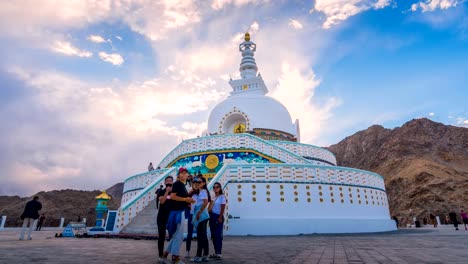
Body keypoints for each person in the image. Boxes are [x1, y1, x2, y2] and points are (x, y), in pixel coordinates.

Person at [161, 168, 195, 264]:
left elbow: (182, 198)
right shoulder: (177, 184)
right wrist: (185, 200)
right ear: (179, 175)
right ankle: (176, 258)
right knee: (179, 236)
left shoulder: (182, 185)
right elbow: (172, 196)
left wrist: (188, 200)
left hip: (181, 211)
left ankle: (165, 255)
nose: (184, 174)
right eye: (182, 173)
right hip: (178, 213)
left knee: (176, 235)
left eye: (186, 173)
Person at [190, 176, 211, 263]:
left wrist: (199, 212)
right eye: (197, 182)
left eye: (200, 182)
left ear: (203, 183)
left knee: (200, 236)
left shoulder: (202, 191)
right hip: (204, 216)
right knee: (204, 236)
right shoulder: (202, 191)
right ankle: (205, 255)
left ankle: (198, 256)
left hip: (201, 216)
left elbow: (206, 202)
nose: (198, 183)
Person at [156, 176, 173, 263]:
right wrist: (167, 191)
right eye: (167, 181)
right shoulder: (161, 191)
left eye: (170, 181)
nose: (169, 182)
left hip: (171, 217)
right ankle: (160, 256)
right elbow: (162, 201)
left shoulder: (175, 192)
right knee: (161, 237)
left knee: (172, 237)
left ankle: (173, 256)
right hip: (161, 217)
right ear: (165, 182)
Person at [208, 182, 226, 260]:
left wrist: (220, 217)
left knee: (218, 235)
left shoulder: (222, 197)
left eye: (217, 187)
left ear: (220, 188)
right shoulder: (213, 197)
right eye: (214, 187)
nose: (215, 188)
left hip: (218, 216)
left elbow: (223, 207)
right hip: (212, 217)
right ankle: (216, 252)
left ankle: (219, 253)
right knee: (213, 236)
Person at [185, 178, 199, 258]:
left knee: (200, 234)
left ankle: (200, 251)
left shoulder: (201, 193)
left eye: (197, 183)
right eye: (194, 183)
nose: (196, 185)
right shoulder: (190, 193)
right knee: (189, 233)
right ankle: (187, 251)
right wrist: (188, 206)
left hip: (199, 215)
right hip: (191, 215)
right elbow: (185, 201)